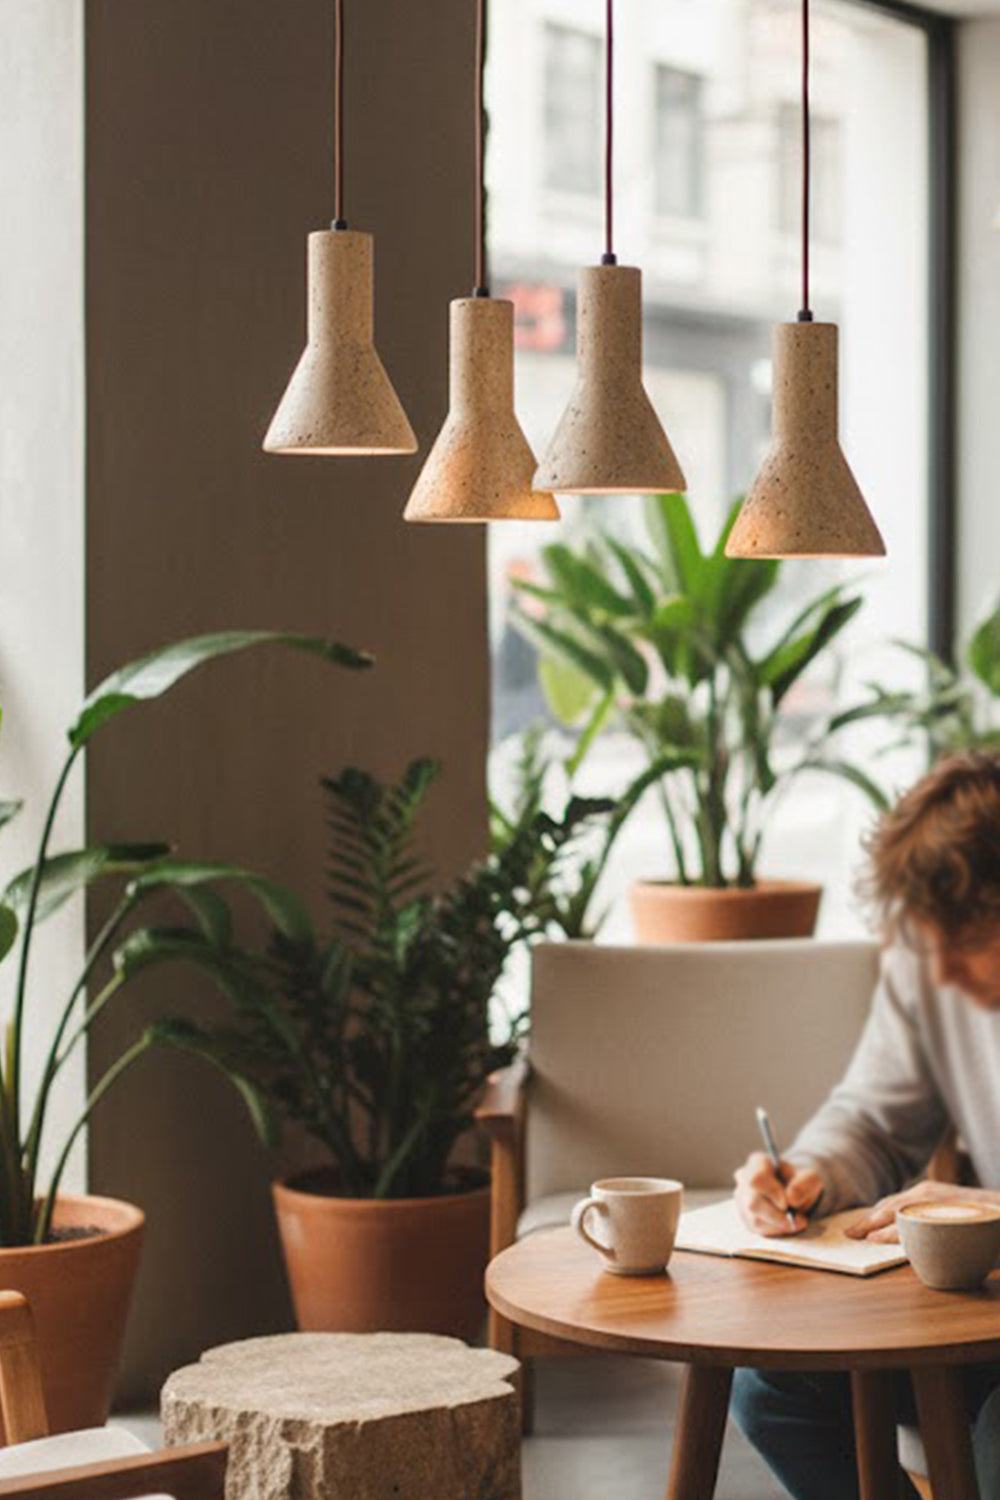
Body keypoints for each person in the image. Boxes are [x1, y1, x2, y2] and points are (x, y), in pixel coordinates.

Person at [730, 751, 1000, 1500]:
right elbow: (875, 1122)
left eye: (965, 947)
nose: (939, 978)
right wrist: (812, 1173)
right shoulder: (932, 956)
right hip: (982, 1310)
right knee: (774, 1390)